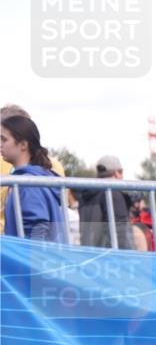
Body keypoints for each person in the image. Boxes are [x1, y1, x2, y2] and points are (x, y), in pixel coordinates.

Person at [0, 104, 65, 235]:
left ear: (23, 144)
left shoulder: (29, 184)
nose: (0, 144)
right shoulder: (38, 174)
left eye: (3, 139)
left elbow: (37, 232)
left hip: (20, 253)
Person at [78, 155, 133, 248]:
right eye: (121, 172)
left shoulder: (85, 196)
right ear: (116, 173)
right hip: (110, 258)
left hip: (89, 255)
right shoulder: (113, 192)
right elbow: (119, 232)